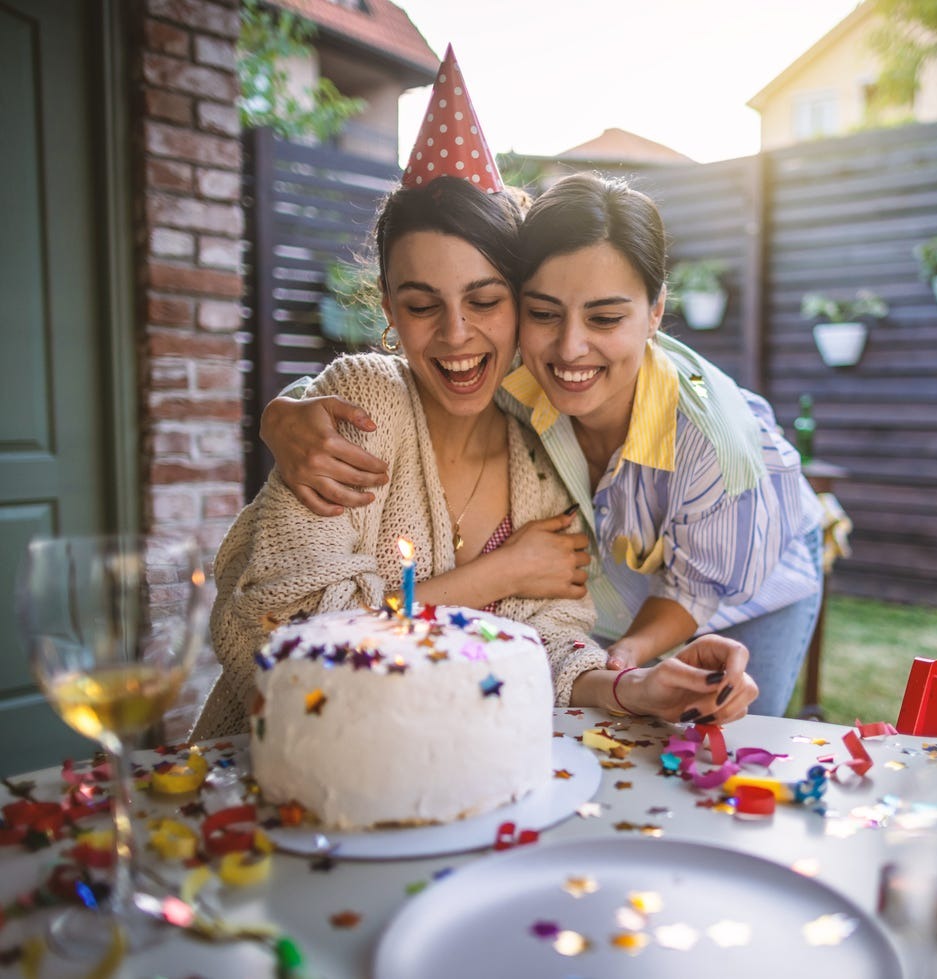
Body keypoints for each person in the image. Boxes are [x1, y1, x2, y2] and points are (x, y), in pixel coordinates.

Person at [194, 51, 758, 740]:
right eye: (421, 304)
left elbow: (547, 642)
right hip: (284, 766)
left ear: (522, 306)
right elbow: (274, 635)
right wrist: (500, 572)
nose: (456, 336)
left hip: (441, 780)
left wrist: (631, 686)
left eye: (485, 300)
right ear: (388, 312)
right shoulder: (359, 408)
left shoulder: (544, 436)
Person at [262, 172, 822, 718]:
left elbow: (694, 593)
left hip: (746, 585)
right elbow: (402, 376)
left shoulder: (718, 451)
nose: (570, 348)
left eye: (604, 317)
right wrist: (282, 414)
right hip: (612, 587)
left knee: (730, 745)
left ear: (655, 312)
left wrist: (620, 662)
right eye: (544, 313)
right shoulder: (510, 372)